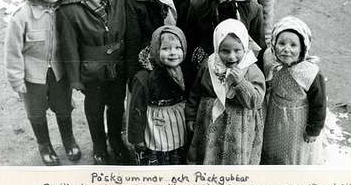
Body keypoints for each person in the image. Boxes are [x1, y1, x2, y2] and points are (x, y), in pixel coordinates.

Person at [56, 0, 130, 165]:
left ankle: (116, 140)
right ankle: (99, 145)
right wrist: (75, 79)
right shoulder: (69, 8)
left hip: (117, 66)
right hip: (91, 71)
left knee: (117, 105)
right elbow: (68, 47)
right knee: (94, 109)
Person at [4, 0, 80, 166]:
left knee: (63, 106)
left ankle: (68, 139)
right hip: (33, 73)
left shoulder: (64, 10)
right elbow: (13, 51)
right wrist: (16, 80)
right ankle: (44, 145)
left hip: (59, 70)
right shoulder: (21, 16)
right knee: (36, 111)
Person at [185, 19, 266, 165]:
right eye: (225, 51)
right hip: (210, 122)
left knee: (233, 159)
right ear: (217, 48)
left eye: (237, 50)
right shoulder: (209, 65)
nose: (231, 56)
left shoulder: (251, 69)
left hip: (238, 125)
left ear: (245, 48)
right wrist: (190, 116)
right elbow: (195, 92)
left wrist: (241, 83)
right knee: (209, 155)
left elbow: (255, 101)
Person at [185, 0, 266, 75]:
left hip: (238, 63)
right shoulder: (197, 5)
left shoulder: (252, 9)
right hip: (206, 65)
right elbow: (190, 40)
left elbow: (259, 47)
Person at [261, 16, 327, 165]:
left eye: (293, 45)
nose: (286, 49)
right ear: (274, 44)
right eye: (282, 43)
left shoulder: (310, 73)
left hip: (298, 120)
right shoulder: (270, 60)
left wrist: (313, 130)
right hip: (275, 115)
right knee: (274, 145)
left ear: (303, 47)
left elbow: (319, 105)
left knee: (294, 151)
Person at [125, 0, 193, 83]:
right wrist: (133, 75)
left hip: (179, 58)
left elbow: (189, 36)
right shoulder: (135, 0)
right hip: (148, 62)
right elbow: (133, 40)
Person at [128, 25, 187, 165]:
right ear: (155, 50)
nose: (173, 53)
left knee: (177, 156)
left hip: (177, 126)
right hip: (156, 128)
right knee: (158, 158)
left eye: (178, 48)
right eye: (165, 49)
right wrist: (137, 138)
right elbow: (136, 110)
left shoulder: (184, 72)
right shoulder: (144, 77)